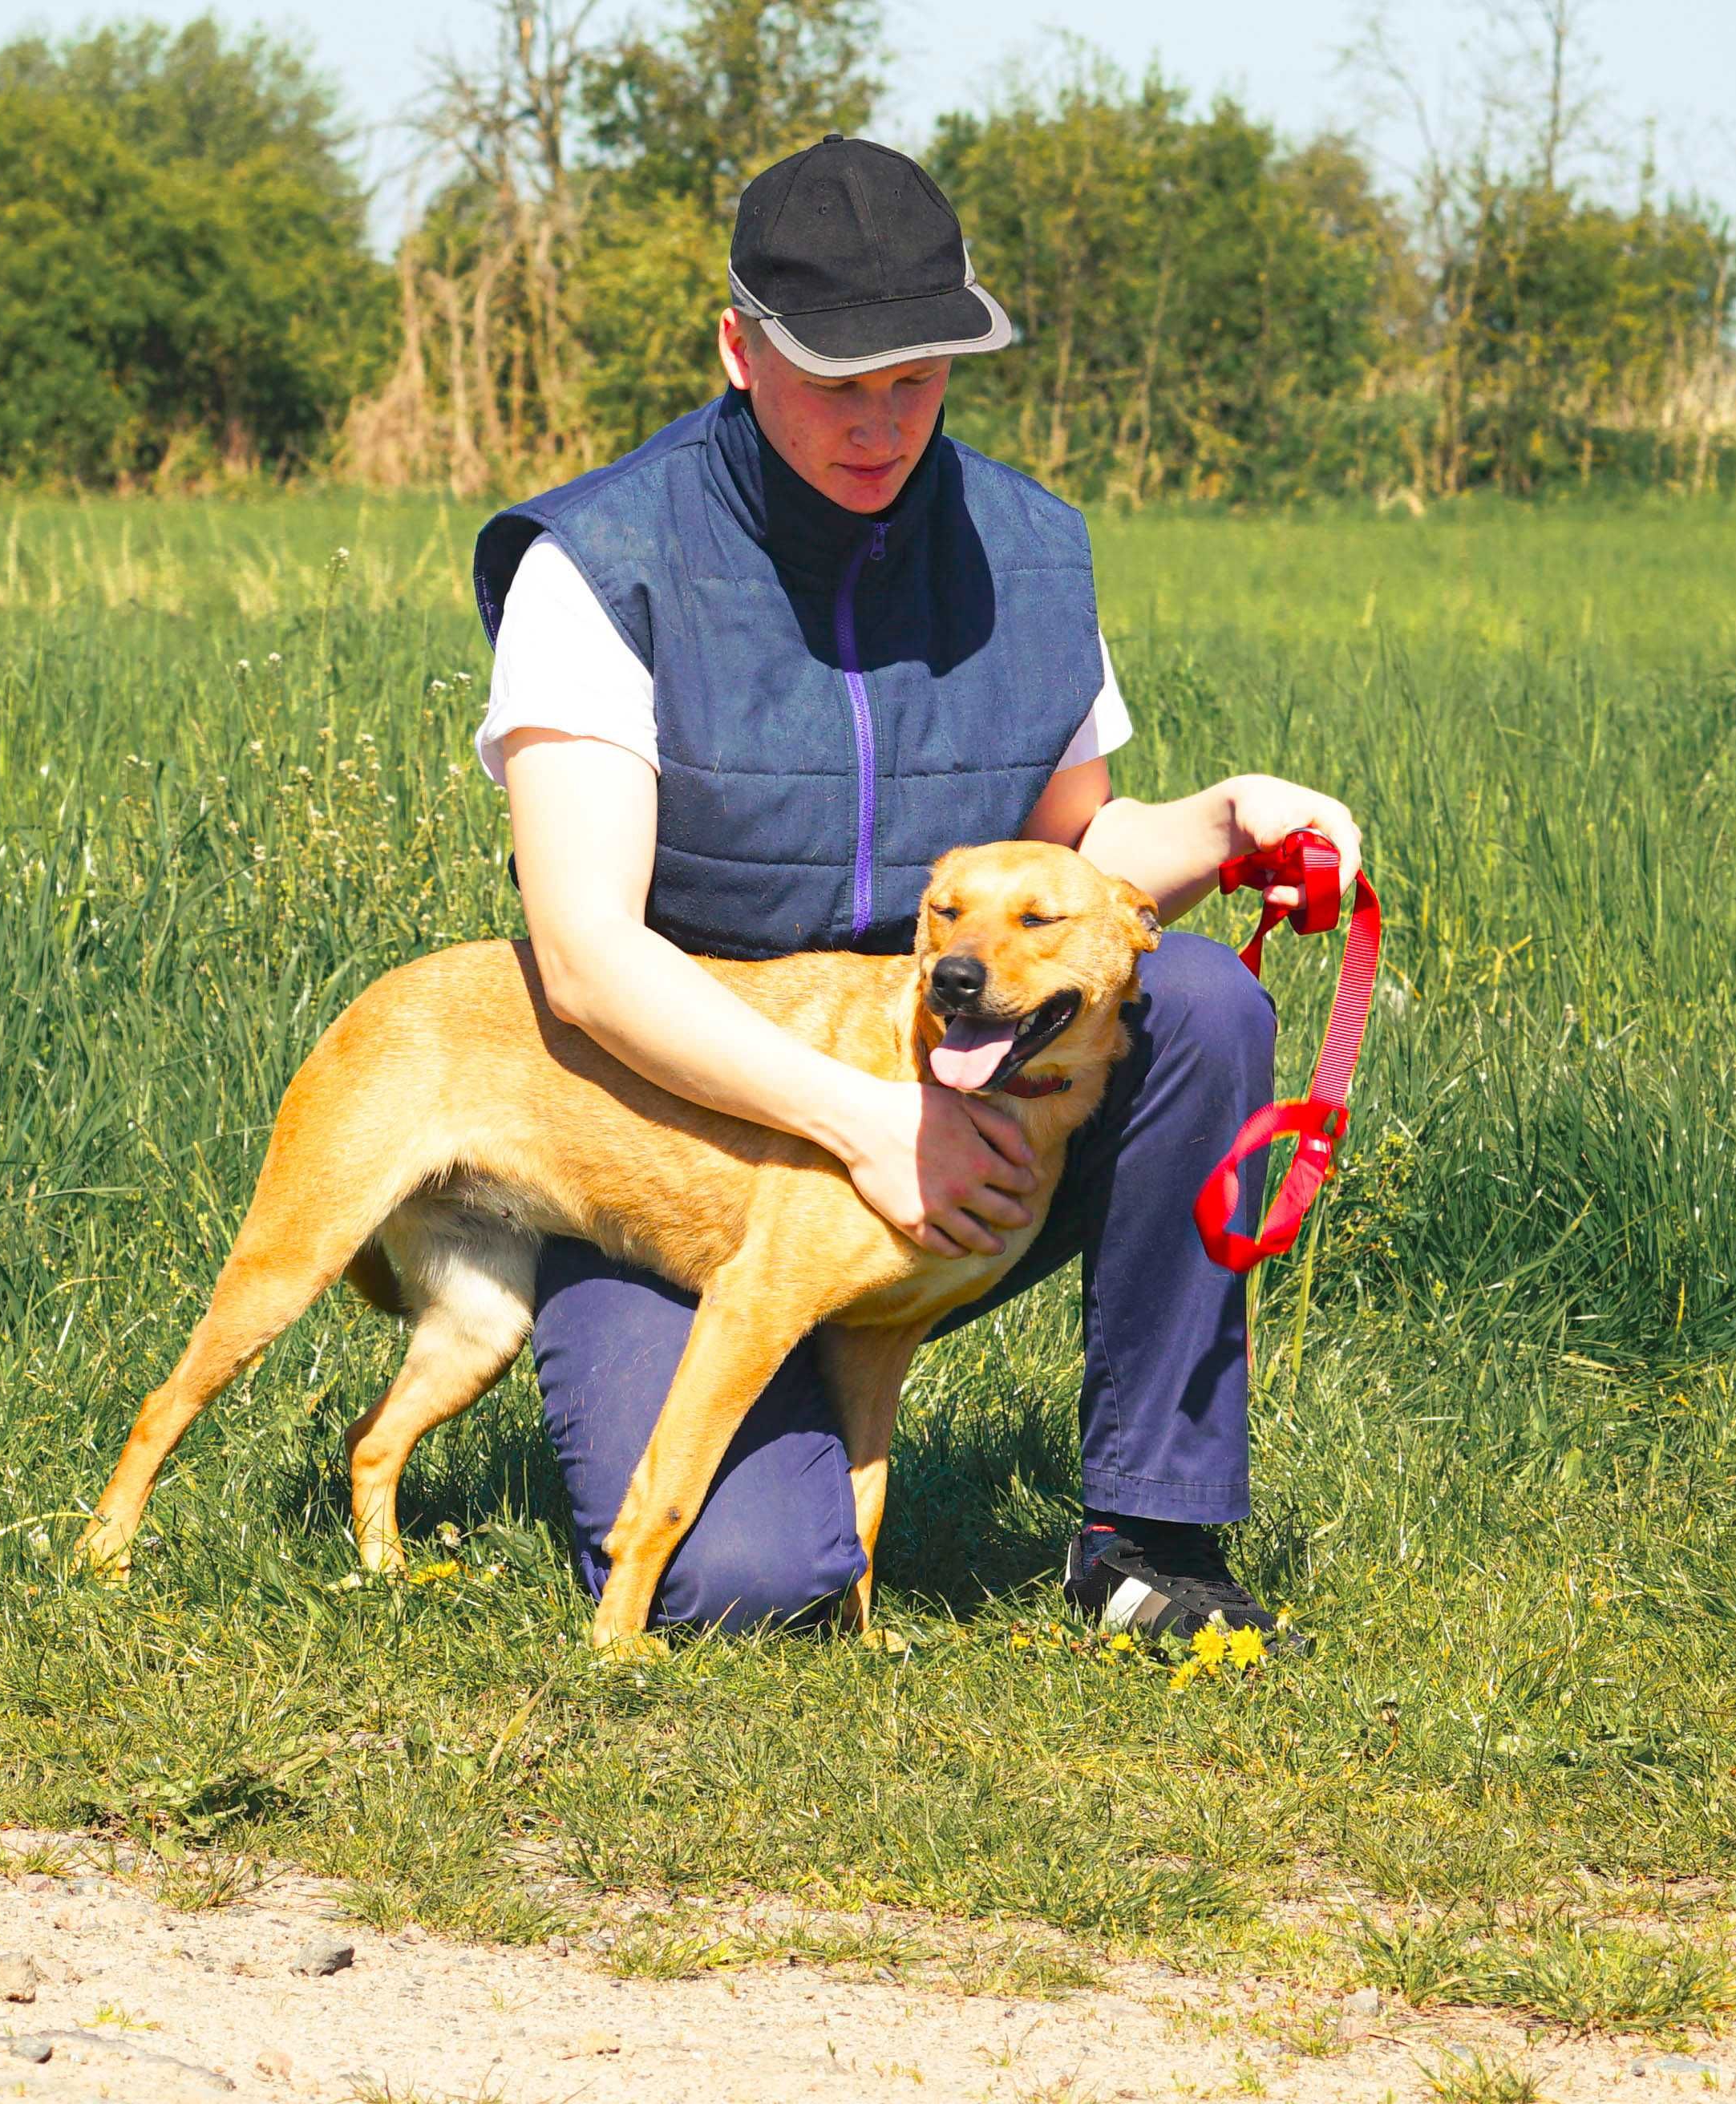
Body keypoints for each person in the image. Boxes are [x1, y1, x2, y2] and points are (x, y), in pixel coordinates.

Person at [470, 134, 1362, 1641]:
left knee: (1199, 1000)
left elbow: (1068, 867)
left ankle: (1153, 1540)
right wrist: (874, 1124)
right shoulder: (602, 564)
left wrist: (1227, 819)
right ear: (739, 350)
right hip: (675, 1150)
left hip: (954, 1101)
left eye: (919, 379)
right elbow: (586, 958)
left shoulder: (1029, 549)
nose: (880, 423)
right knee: (747, 1591)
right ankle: (724, 1374)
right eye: (835, 380)